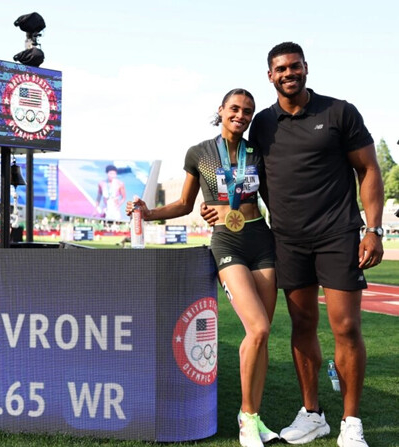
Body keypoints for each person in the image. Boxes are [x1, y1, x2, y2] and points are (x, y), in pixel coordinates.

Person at [201, 42, 384, 447]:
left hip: (337, 234)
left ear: (305, 68)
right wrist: (213, 205)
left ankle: (351, 423)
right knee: (302, 326)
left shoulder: (339, 112)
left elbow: (368, 168)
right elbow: (237, 172)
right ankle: (313, 413)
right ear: (270, 76)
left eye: (294, 66)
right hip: (286, 240)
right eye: (280, 68)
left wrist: (374, 229)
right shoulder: (262, 125)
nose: (288, 73)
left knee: (347, 327)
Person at [127, 88, 279, 447]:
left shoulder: (257, 151)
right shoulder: (199, 153)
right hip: (227, 244)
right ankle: (245, 417)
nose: (241, 116)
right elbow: (183, 203)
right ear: (221, 110)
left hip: (262, 242)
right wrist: (149, 213)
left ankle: (254, 419)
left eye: (248, 111)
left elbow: (273, 198)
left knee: (262, 335)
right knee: (256, 328)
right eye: (235, 109)